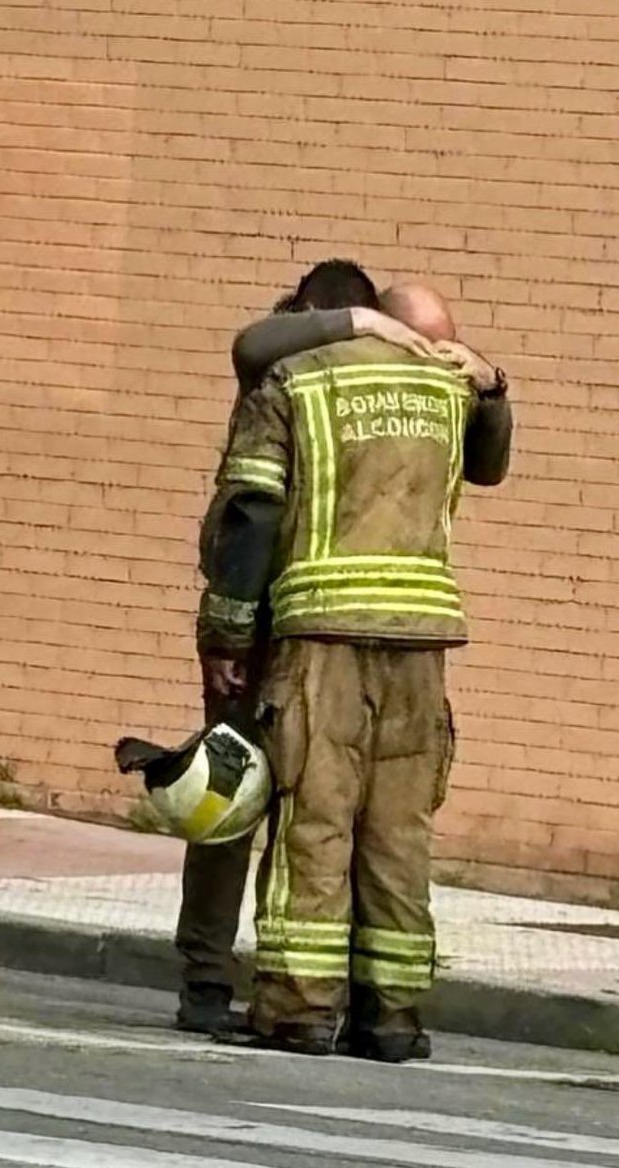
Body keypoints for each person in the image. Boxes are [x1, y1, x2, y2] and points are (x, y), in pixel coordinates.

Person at [197, 260, 512, 1061]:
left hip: (322, 635)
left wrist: (230, 633)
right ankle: (393, 1016)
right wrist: (491, 381)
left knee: (317, 819)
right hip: (422, 640)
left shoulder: (295, 380)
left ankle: (301, 1009)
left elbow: (254, 508)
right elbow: (489, 466)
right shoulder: (452, 387)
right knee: (399, 831)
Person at [176, 283, 434, 1035]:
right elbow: (249, 514)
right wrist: (227, 636)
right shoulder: (286, 367)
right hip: (283, 630)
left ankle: (237, 987)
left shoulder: (349, 385)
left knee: (268, 812)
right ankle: (219, 983)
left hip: (303, 630)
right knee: (246, 808)